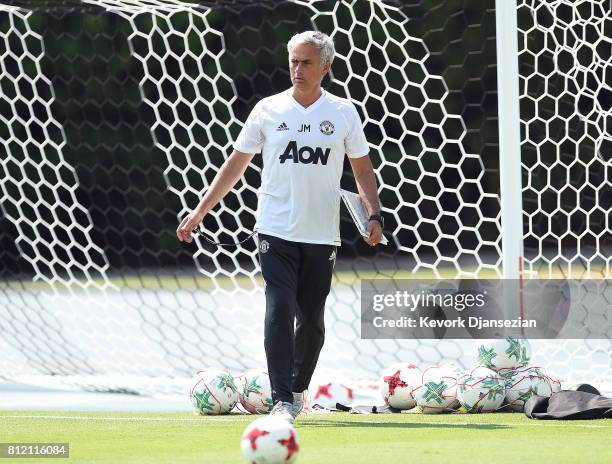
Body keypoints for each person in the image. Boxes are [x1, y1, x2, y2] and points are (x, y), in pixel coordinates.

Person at [177, 30, 383, 422]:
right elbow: (236, 164)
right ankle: (282, 399)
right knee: (279, 308)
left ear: (326, 66)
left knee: (313, 322)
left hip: (322, 234)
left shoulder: (342, 112)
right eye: (293, 61)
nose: (297, 69)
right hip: (274, 229)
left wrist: (373, 215)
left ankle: (298, 387)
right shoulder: (267, 110)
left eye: (306, 62)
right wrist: (201, 210)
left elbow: (361, 168)